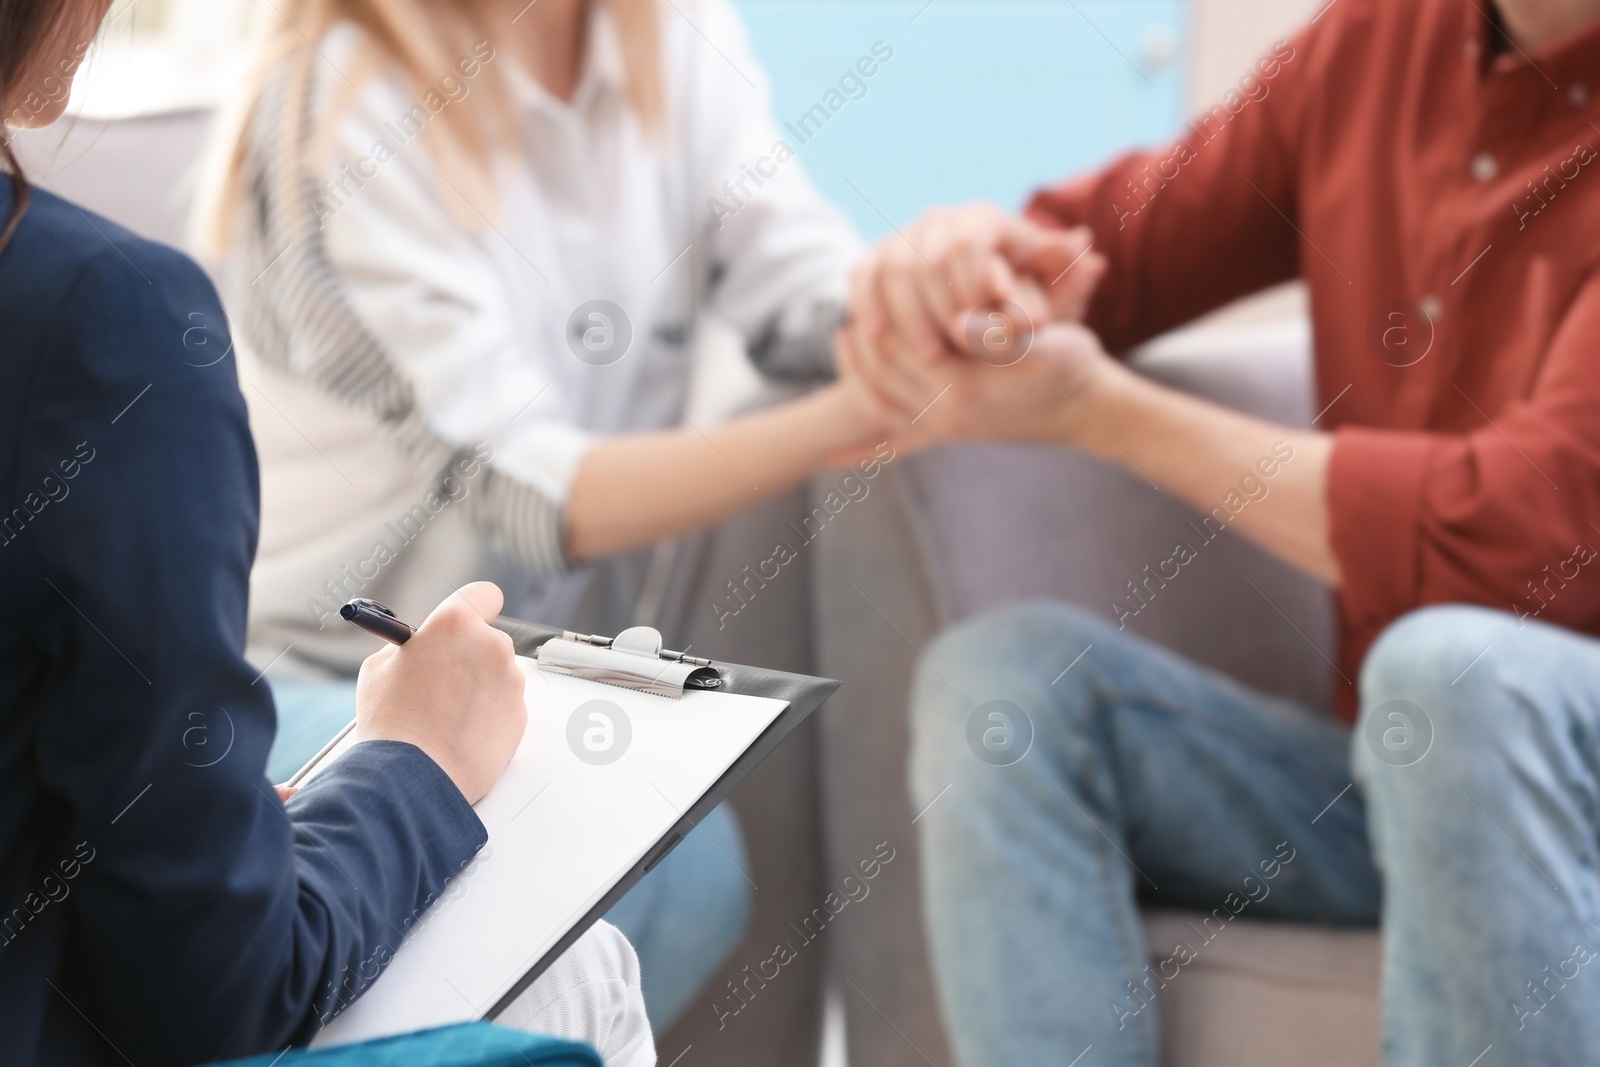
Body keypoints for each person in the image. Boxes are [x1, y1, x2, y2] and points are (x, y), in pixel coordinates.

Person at [843, 0, 1600, 1063]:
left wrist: (1104, 415)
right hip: (1396, 771)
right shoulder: (1378, 42)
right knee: (1005, 688)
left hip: (1532, 741)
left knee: (1454, 676)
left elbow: (1523, 537)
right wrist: (972, 266)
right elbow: (1116, 252)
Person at [196, 0, 893, 1030]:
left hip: (524, 667)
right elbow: (524, 491)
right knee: (643, 866)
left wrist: (923, 310)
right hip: (311, 671)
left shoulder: (673, 34)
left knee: (685, 863)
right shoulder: (340, 97)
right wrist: (868, 408)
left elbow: (802, 289)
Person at [0, 2, 652, 1064]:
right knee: (580, 970)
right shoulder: (100, 316)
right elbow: (218, 997)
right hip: (299, 662)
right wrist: (415, 757)